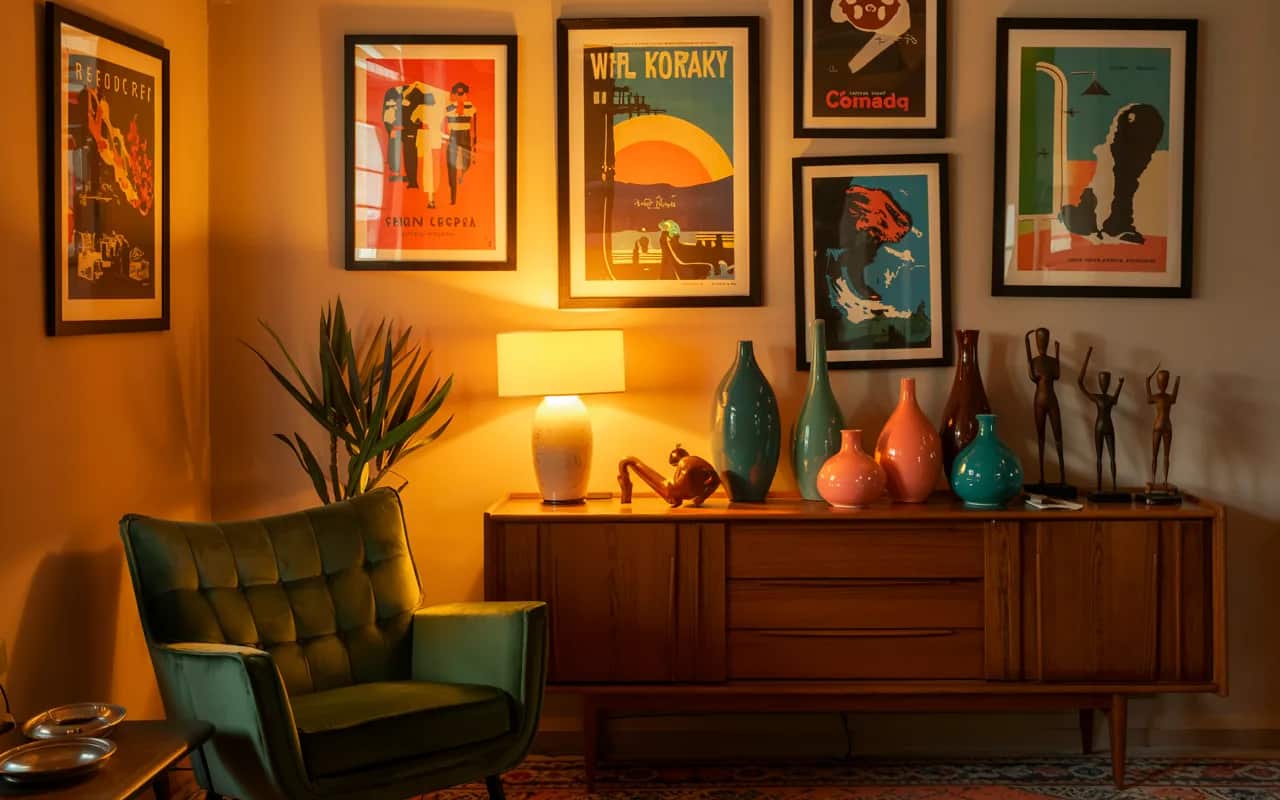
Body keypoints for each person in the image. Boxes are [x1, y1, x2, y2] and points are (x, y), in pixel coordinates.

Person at [1076, 346, 1124, 492]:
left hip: (1105, 426)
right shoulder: (1098, 397)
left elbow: (1115, 398)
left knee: (1111, 456)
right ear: (1099, 382)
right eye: (1102, 381)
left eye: (1106, 381)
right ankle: (1100, 487)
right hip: (1103, 426)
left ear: (1108, 383)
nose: (1104, 384)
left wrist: (1120, 385)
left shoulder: (1108, 398)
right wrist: (1087, 357)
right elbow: (1080, 383)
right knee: (1100, 458)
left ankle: (1114, 487)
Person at [1024, 328, 1066, 486]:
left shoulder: (1052, 361)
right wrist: (1026, 343)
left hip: (1051, 400)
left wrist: (1058, 353)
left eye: (1044, 339)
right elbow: (1032, 375)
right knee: (1040, 438)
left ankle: (1062, 477)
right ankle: (1042, 477)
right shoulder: (1034, 361)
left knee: (1058, 436)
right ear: (1036, 341)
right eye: (1039, 339)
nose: (1042, 342)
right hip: (1039, 402)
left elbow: (1057, 375)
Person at [442, 81, 477, 205]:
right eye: (458, 93)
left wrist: (475, 142)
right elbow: (445, 126)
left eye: (463, 93)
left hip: (465, 136)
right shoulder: (449, 108)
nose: (461, 95)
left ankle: (462, 177)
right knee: (451, 166)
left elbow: (474, 125)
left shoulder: (471, 108)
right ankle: (453, 196)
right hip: (453, 136)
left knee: (466, 164)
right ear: (454, 94)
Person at [1146, 364, 1181, 488]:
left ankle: (1162, 481)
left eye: (1165, 381)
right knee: (1160, 455)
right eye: (1162, 380)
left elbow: (1149, 399)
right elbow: (1149, 399)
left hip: (1161, 426)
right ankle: (1156, 480)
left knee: (1161, 455)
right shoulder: (1165, 397)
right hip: (1164, 426)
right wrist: (1147, 382)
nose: (1163, 383)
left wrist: (1147, 382)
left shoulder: (1164, 397)